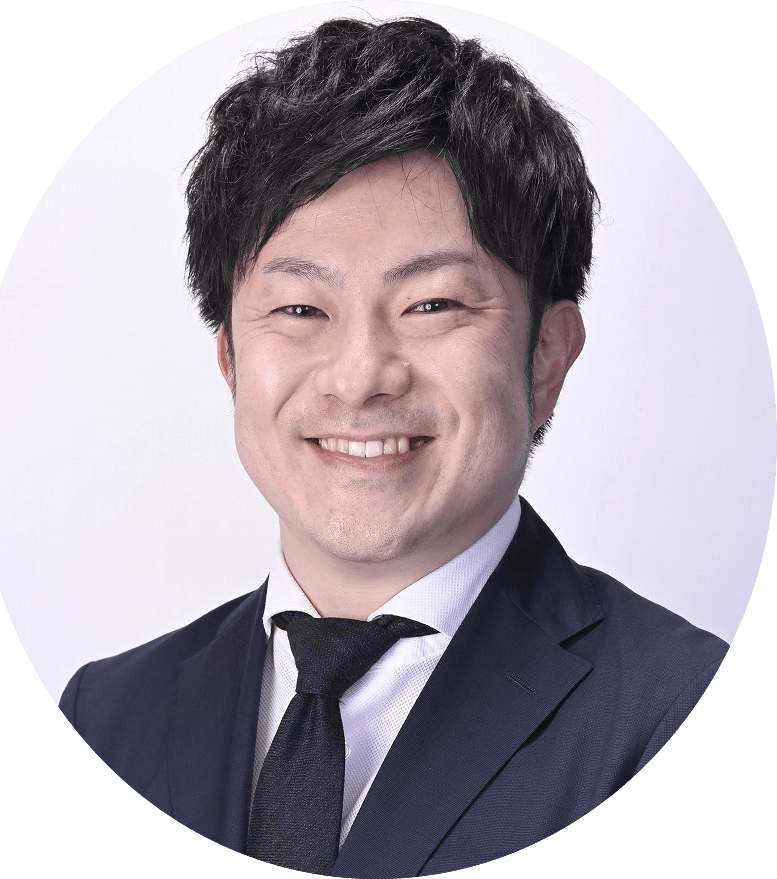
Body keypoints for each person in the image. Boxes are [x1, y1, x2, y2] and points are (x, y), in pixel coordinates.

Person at [59, 17, 728, 877]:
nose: (359, 377)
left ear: (546, 358)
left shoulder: (686, 716)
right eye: (300, 309)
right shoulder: (106, 717)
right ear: (230, 358)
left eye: (432, 305)